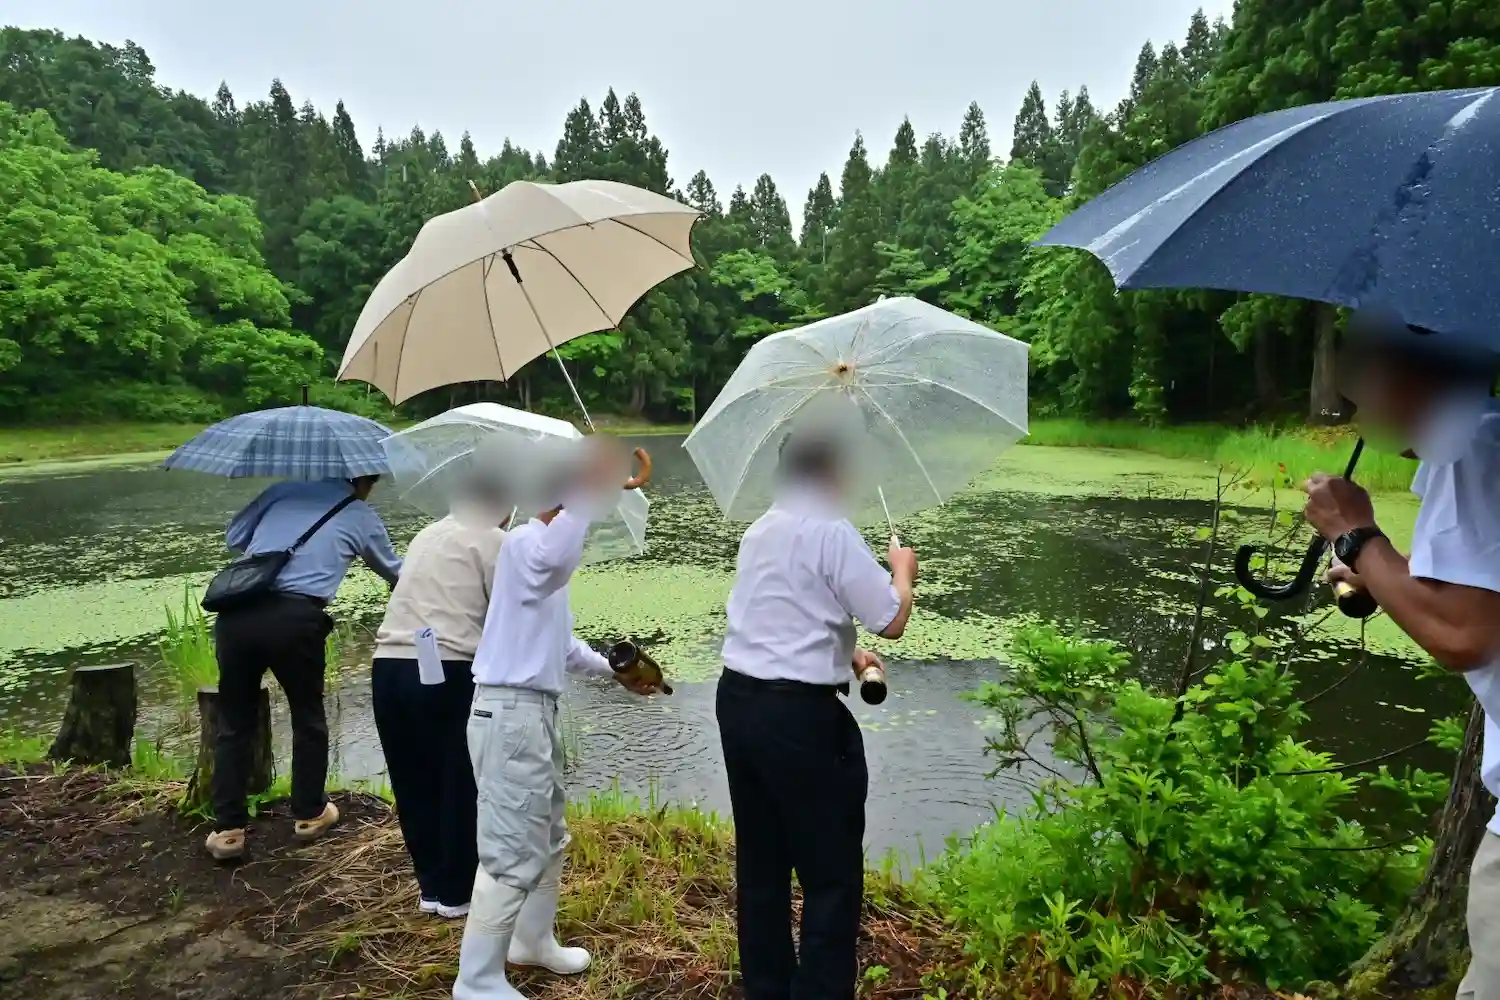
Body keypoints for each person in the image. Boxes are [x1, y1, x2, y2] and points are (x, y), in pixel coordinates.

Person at [1300, 309, 1500, 1000]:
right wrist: (1383, 575)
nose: (1353, 396)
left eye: (1360, 370)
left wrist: (1355, 533)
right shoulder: (1487, 436)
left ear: (1403, 372)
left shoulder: (1474, 446)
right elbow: (1477, 599)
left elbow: (1465, 635)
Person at [453, 437, 659, 1000]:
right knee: (509, 849)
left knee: (545, 836)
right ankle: (476, 980)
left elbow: (564, 647)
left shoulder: (540, 561)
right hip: (509, 714)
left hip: (531, 712)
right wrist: (590, 490)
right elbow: (553, 560)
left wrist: (616, 674)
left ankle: (532, 942)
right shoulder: (526, 545)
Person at [716, 431, 918, 1000]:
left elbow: (781, 614)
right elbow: (891, 618)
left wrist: (846, 653)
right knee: (830, 872)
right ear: (830, 471)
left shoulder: (762, 528)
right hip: (799, 719)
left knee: (762, 863)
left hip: (740, 704)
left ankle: (768, 987)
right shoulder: (832, 529)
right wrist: (903, 570)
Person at [206, 475, 402, 862]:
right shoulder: (359, 514)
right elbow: (396, 572)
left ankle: (228, 831)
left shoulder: (283, 490)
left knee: (234, 722)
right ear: (364, 478)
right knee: (307, 716)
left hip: (237, 614)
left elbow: (235, 537)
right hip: (295, 619)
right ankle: (310, 814)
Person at [371, 464, 512, 919]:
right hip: (446, 668)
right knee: (459, 779)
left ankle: (430, 887)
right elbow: (509, 615)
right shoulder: (495, 540)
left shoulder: (426, 535)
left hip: (388, 666)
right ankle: (456, 893)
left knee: (412, 778)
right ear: (501, 503)